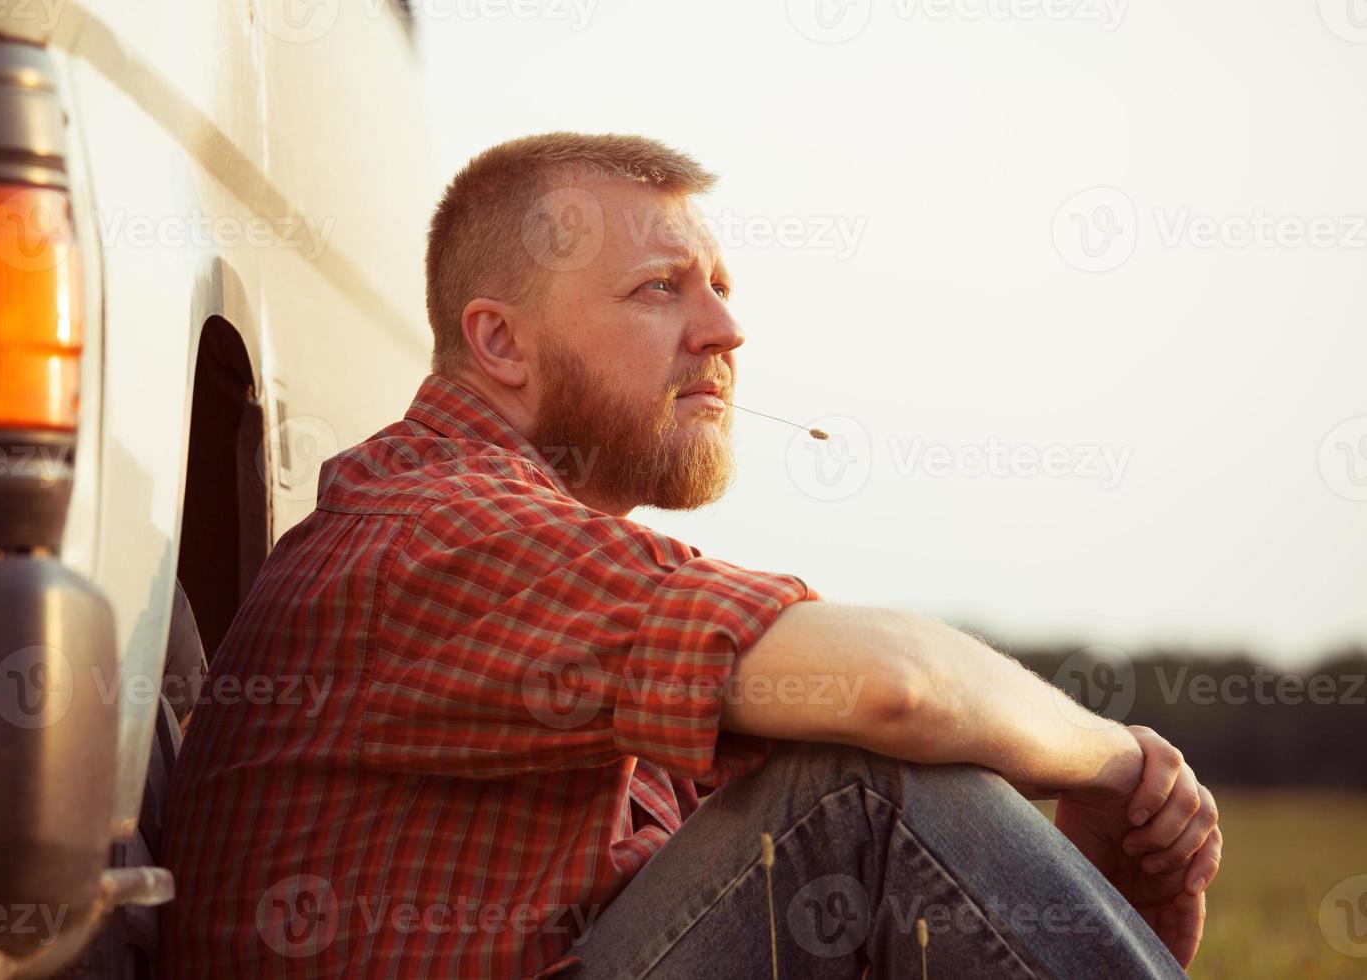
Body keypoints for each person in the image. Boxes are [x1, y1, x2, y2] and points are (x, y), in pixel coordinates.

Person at [161, 132, 1222, 979]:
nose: (726, 329)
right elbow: (898, 688)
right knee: (856, 780)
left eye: (718, 284)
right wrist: (1119, 764)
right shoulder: (439, 528)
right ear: (500, 343)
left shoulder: (559, 560)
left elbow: (861, 915)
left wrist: (1091, 877)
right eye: (660, 287)